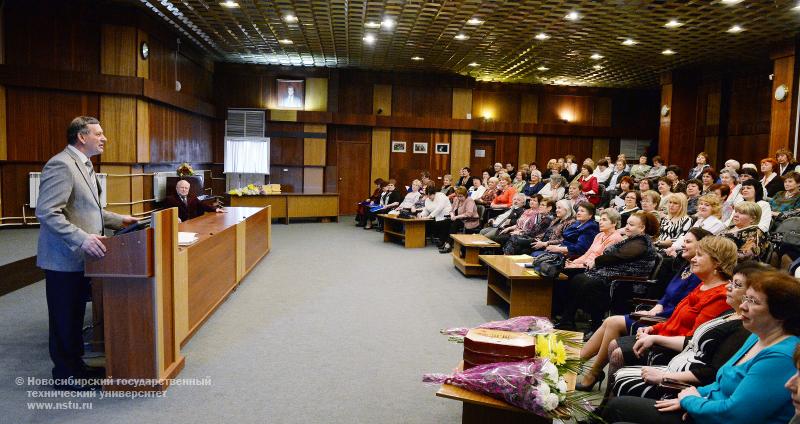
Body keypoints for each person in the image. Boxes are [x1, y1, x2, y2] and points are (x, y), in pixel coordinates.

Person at [603, 271, 800, 424]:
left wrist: (691, 401)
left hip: (712, 417)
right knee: (619, 407)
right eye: (746, 298)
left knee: (619, 408)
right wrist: (694, 397)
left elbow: (734, 414)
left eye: (754, 302)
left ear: (780, 313)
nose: (744, 307)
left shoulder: (782, 357)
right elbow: (719, 384)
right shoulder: (757, 337)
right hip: (703, 408)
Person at [36, 116, 138, 390]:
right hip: (63, 258)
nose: (104, 138)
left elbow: (89, 211)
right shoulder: (62, 164)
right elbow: (47, 212)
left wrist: (120, 220)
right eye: (99, 133)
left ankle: (77, 367)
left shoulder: (85, 166)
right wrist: (82, 239)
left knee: (74, 315)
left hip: (83, 258)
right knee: (64, 317)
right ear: (82, 137)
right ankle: (65, 375)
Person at [575, 228, 711, 391]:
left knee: (613, 322)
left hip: (667, 322)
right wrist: (656, 307)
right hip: (659, 314)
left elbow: (682, 307)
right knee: (610, 321)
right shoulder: (686, 267)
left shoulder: (698, 274)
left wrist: (657, 313)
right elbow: (667, 296)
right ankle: (578, 363)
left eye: (688, 242)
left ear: (702, 247)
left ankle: (592, 372)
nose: (683, 245)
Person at [611, 262, 769, 400]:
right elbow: (692, 339)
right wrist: (655, 337)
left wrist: (665, 376)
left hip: (681, 381)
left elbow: (713, 372)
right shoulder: (729, 313)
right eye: (731, 282)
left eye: (737, 285)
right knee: (617, 359)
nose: (728, 286)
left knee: (622, 375)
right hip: (675, 361)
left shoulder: (743, 328)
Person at [606, 237, 737, 381]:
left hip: (675, 352)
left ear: (717, 262)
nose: (693, 259)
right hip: (664, 337)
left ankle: (609, 399)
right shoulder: (703, 285)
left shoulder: (720, 296)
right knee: (614, 343)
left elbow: (694, 340)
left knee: (618, 353)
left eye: (699, 255)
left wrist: (655, 338)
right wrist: (652, 329)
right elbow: (675, 320)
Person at [557, 210, 659, 333]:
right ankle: (567, 320)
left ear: (642, 228)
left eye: (631, 225)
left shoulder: (642, 242)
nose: (627, 227)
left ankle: (594, 327)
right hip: (613, 277)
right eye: (626, 224)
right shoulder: (632, 239)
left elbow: (618, 256)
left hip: (627, 283)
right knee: (577, 279)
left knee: (587, 283)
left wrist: (597, 261)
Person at [438, 186, 480, 253]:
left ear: (465, 195)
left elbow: (469, 214)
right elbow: (451, 210)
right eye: (458, 196)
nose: (459, 198)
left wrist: (456, 217)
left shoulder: (469, 200)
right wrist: (452, 215)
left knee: (454, 224)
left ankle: (448, 245)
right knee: (445, 222)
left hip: (469, 221)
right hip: (458, 219)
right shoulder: (456, 199)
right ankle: (443, 241)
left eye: (461, 196)